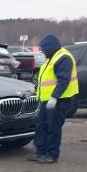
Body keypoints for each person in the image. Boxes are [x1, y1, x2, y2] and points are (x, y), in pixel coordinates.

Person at [30, 34, 79, 164]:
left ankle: (52, 154)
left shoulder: (63, 58)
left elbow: (63, 80)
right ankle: (40, 151)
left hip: (59, 100)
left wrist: (54, 97)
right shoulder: (51, 57)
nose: (42, 52)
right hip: (47, 99)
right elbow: (46, 78)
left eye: (43, 49)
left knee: (53, 127)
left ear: (50, 47)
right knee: (41, 125)